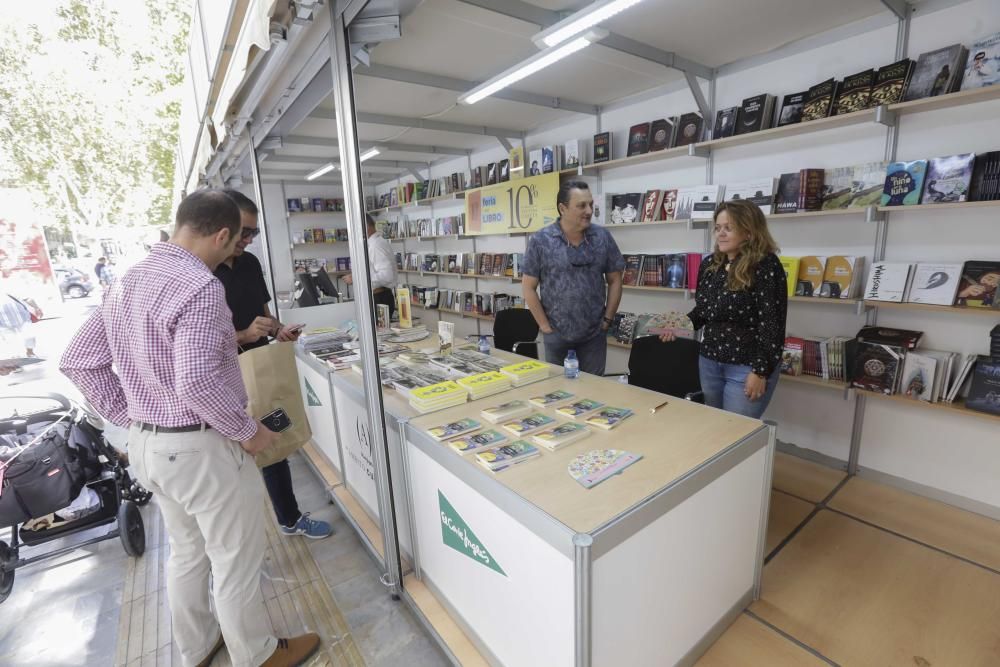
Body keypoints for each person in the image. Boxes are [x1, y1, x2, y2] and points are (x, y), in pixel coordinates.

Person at [60, 190, 320, 667]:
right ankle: (258, 656)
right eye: (237, 238)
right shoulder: (199, 287)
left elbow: (78, 361)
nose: (236, 250)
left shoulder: (128, 280)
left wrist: (131, 415)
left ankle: (197, 647)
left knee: (186, 552)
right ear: (221, 234)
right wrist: (247, 431)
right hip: (201, 448)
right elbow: (198, 380)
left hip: (151, 447)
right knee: (236, 558)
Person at [217, 188, 332, 540]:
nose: (249, 240)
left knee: (273, 443)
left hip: (262, 366)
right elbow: (196, 346)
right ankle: (238, 536)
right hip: (224, 376)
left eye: (254, 233)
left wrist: (280, 330)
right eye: (244, 232)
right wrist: (242, 335)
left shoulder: (250, 263)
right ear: (223, 227)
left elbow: (264, 312)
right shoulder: (202, 272)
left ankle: (289, 517)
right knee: (231, 458)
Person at [660, 200, 787, 419]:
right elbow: (703, 312)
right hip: (709, 362)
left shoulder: (766, 265)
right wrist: (678, 325)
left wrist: (760, 370)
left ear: (748, 231)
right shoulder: (710, 265)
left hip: (746, 365)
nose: (720, 234)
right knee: (715, 427)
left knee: (736, 432)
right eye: (717, 228)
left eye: (728, 228)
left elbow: (772, 324)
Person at [521, 179, 624, 375]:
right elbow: (528, 287)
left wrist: (607, 321)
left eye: (591, 204)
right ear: (563, 208)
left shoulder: (602, 237)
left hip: (594, 336)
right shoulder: (541, 240)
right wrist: (544, 326)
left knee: (593, 392)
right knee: (558, 394)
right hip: (556, 335)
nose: (589, 210)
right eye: (581, 205)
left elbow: (615, 279)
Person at [343, 214, 398, 319]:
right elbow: (374, 271)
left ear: (366, 227)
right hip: (377, 296)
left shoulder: (375, 245)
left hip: (379, 298)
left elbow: (387, 275)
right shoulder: (373, 244)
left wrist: (357, 278)